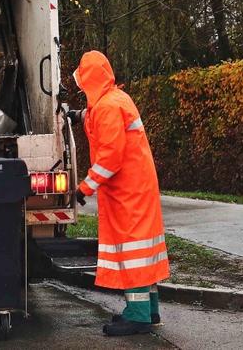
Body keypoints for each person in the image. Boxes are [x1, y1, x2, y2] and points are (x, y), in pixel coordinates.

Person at [70, 50, 170, 336]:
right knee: (143, 252)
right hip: (137, 187)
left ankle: (138, 316)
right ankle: (149, 311)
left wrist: (85, 187)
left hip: (127, 192)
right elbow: (102, 121)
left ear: (89, 80)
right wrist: (80, 115)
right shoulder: (117, 98)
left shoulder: (107, 107)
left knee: (132, 253)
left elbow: (111, 157)